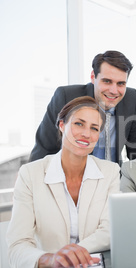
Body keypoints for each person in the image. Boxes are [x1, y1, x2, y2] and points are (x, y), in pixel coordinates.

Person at [7, 96, 120, 268]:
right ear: (62, 125)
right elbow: (18, 244)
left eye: (94, 128)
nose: (86, 134)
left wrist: (68, 255)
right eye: (79, 124)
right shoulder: (30, 174)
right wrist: (51, 259)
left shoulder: (110, 172)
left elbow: (109, 231)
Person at [29, 50, 136, 165]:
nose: (113, 91)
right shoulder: (66, 97)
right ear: (93, 77)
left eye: (121, 83)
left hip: (114, 179)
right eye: (107, 81)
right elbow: (43, 150)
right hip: (71, 178)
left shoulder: (131, 99)